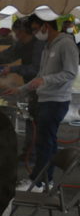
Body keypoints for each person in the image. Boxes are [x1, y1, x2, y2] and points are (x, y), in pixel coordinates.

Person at [7, 15, 80, 190]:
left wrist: (46, 80)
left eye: (34, 29)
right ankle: (46, 180)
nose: (34, 33)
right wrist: (21, 89)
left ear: (45, 26)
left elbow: (70, 73)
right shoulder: (48, 46)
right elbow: (40, 75)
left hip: (56, 101)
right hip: (45, 99)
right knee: (46, 143)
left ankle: (38, 183)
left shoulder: (66, 44)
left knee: (44, 143)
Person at [0, 18, 45, 83]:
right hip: (29, 83)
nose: (15, 35)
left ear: (22, 31)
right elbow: (7, 55)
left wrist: (12, 69)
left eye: (15, 32)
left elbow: (35, 69)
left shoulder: (39, 44)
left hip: (41, 83)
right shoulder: (21, 44)